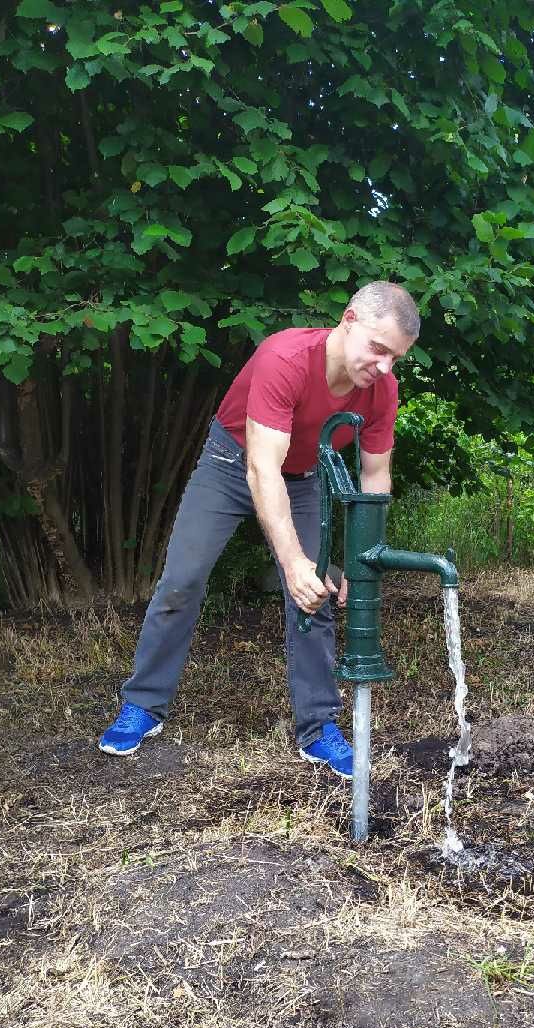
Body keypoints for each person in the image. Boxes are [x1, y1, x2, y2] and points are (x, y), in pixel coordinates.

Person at [98, 281, 420, 777]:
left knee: (315, 595)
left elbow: (375, 475)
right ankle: (143, 704)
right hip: (231, 463)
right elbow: (261, 469)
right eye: (378, 350)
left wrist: (361, 559)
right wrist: (291, 562)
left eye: (395, 358)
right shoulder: (285, 358)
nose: (384, 367)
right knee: (181, 581)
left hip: (306, 477)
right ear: (349, 318)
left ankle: (318, 728)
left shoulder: (382, 389)